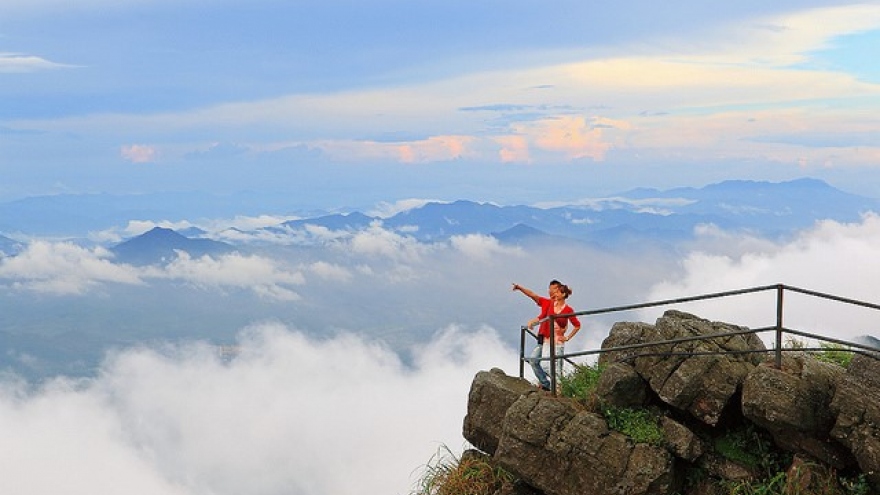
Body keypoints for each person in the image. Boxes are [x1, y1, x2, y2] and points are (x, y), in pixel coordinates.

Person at [512, 281, 580, 390]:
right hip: (543, 338)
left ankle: (557, 387)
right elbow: (533, 297)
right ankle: (547, 385)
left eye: (554, 289)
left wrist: (566, 334)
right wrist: (520, 288)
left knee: (554, 365)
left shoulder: (561, 307)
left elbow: (565, 323)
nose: (551, 291)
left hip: (555, 340)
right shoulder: (548, 303)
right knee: (536, 361)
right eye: (550, 289)